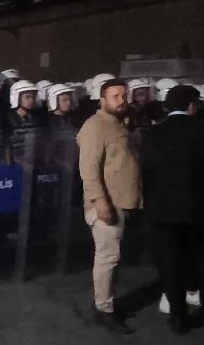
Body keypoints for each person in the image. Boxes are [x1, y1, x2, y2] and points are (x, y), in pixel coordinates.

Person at [141, 85, 204, 337]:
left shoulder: (152, 134)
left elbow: (146, 174)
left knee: (170, 265)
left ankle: (179, 318)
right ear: (191, 105)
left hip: (163, 211)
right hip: (199, 210)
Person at [76, 78, 140, 334]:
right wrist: (100, 202)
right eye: (116, 96)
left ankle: (107, 302)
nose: (122, 100)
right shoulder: (95, 126)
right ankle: (104, 309)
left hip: (123, 200)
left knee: (114, 258)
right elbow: (88, 170)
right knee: (108, 257)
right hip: (108, 203)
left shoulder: (120, 124)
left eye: (124, 95)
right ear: (102, 99)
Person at [6, 79, 44, 166]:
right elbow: (6, 147)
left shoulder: (38, 118)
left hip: (35, 164)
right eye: (27, 97)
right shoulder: (8, 118)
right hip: (15, 164)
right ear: (16, 97)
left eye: (33, 97)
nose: (31, 100)